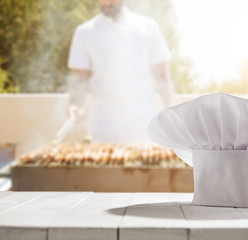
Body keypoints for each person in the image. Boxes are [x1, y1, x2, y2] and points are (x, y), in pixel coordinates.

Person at [67, 0, 173, 143]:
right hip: (103, 122)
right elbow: (80, 76)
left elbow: (162, 75)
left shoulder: (148, 27)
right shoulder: (85, 32)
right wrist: (75, 104)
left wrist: (171, 110)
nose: (107, 3)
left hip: (142, 120)